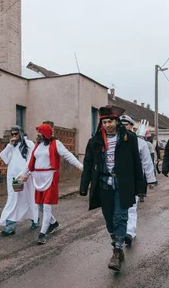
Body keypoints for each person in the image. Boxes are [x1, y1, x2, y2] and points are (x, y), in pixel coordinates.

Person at [80, 106, 145, 272]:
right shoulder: (95, 141)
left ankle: (116, 252)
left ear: (117, 121)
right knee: (109, 220)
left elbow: (136, 163)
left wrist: (141, 186)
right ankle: (118, 244)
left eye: (110, 121)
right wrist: (84, 185)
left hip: (123, 185)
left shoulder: (128, 138)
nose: (107, 124)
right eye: (104, 122)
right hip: (104, 184)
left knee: (120, 217)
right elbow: (88, 164)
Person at [23, 123, 83, 245]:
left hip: (50, 177)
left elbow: (68, 155)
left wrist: (81, 166)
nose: (38, 135)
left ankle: (42, 233)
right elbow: (31, 162)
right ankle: (53, 223)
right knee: (39, 205)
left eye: (40, 132)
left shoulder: (56, 144)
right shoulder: (37, 145)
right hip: (38, 178)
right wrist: (23, 175)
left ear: (46, 133)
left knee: (46, 205)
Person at [120, 114, 156, 243]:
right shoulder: (113, 140)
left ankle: (129, 232)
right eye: (121, 125)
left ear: (131, 127)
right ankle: (120, 231)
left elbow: (147, 161)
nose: (123, 128)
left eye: (126, 125)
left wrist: (151, 179)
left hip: (133, 178)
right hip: (117, 179)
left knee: (131, 206)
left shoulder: (139, 142)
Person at [0, 126, 38, 235]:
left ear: (20, 133)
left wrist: (27, 173)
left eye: (16, 134)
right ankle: (10, 225)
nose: (14, 136)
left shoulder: (29, 144)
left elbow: (32, 160)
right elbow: (4, 157)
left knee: (29, 198)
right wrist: (9, 145)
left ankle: (35, 219)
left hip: (24, 177)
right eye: (12, 134)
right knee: (13, 198)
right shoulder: (12, 146)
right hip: (14, 178)